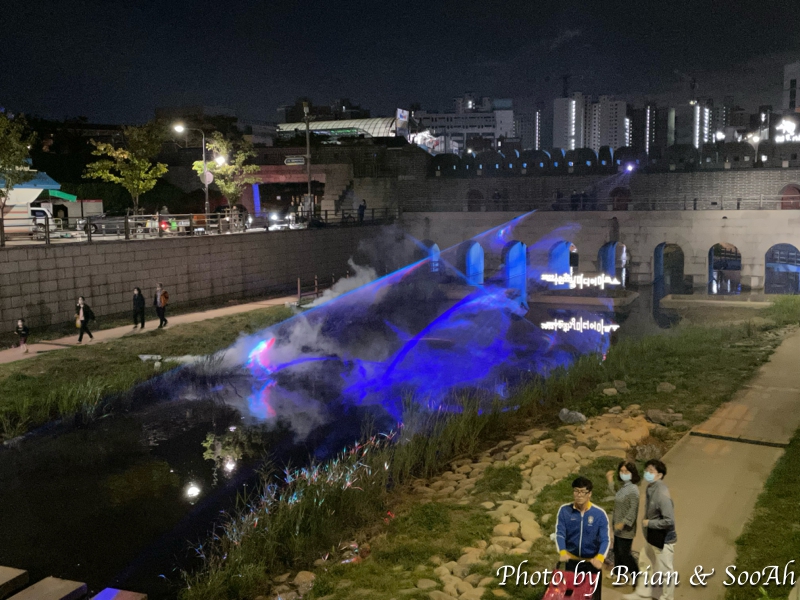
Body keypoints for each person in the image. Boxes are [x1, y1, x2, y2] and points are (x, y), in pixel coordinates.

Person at [623, 460, 677, 600]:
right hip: (652, 537)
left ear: (660, 475)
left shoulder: (662, 494)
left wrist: (649, 523)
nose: (647, 473)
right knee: (645, 562)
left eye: (651, 471)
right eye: (646, 470)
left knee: (666, 572)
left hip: (663, 540)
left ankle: (667, 598)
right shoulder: (650, 487)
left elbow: (669, 520)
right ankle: (642, 593)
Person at [555, 476, 610, 600]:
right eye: (576, 491)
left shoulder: (599, 514)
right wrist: (562, 552)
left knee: (592, 597)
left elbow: (605, 539)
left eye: (583, 492)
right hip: (572, 562)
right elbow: (560, 534)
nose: (579, 495)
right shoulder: (564, 511)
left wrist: (600, 558)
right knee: (571, 596)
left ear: (589, 494)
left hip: (592, 563)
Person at [606, 461, 641, 581]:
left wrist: (624, 522)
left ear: (632, 473)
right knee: (617, 551)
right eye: (621, 471)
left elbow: (633, 509)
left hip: (626, 528)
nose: (623, 473)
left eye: (626, 471)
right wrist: (610, 481)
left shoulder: (633, 490)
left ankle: (636, 576)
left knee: (625, 554)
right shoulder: (624, 487)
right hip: (618, 526)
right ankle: (618, 573)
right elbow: (617, 495)